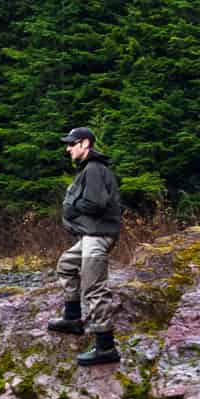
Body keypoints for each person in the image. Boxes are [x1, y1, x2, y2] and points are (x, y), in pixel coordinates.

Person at [47, 126, 123, 366]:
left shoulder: (94, 169)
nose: (68, 148)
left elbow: (96, 204)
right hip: (91, 235)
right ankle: (72, 319)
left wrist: (73, 207)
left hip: (98, 236)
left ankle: (105, 348)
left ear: (85, 144)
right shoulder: (88, 169)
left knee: (94, 289)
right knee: (67, 265)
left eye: (72, 143)